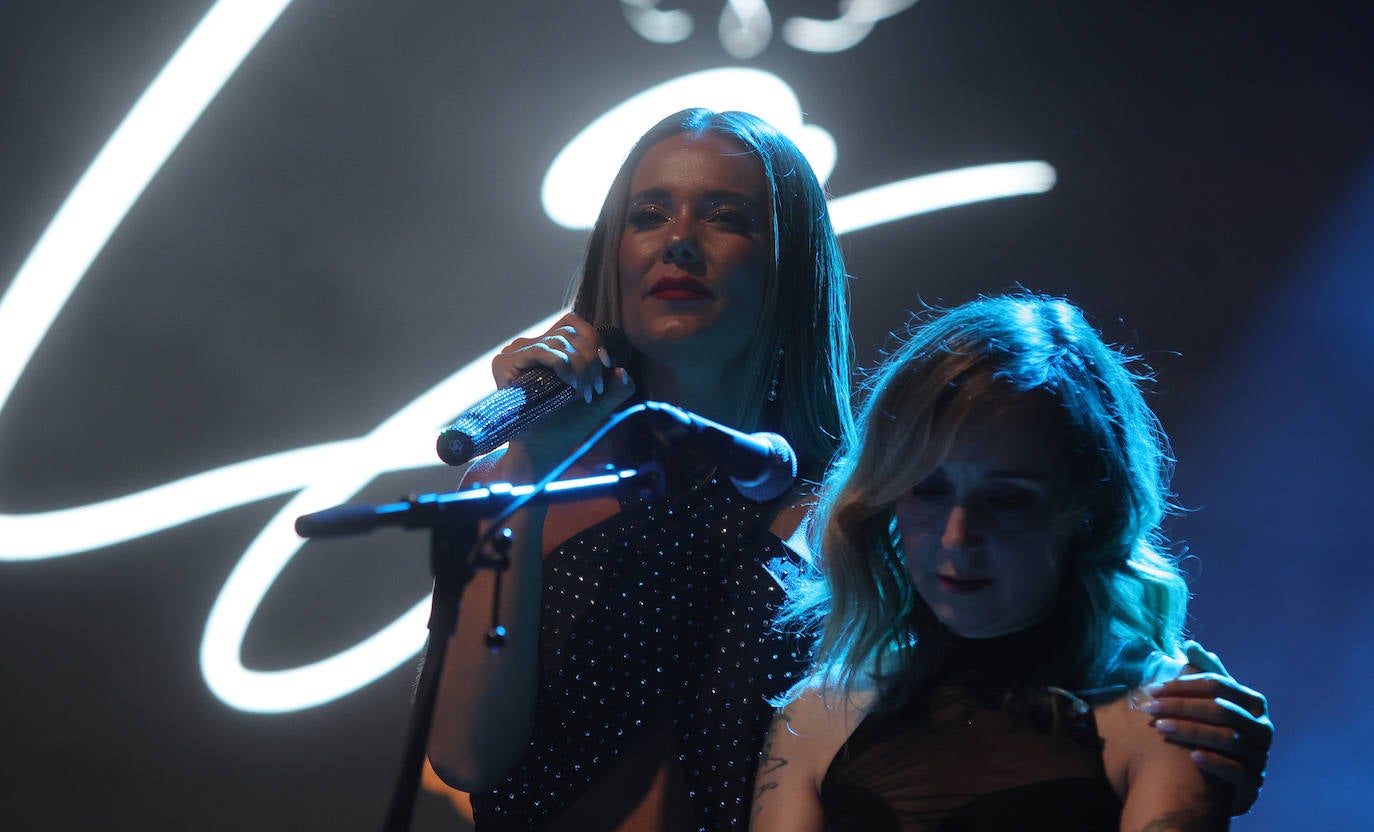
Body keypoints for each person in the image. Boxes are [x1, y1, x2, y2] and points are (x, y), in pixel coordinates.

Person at [425, 111, 1271, 830]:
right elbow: (465, 755)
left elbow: (1020, 679)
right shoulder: (518, 481)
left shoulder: (866, 506)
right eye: (650, 213)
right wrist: (533, 461)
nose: (678, 241)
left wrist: (1198, 716)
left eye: (724, 216)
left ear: (789, 262)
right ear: (612, 252)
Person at [749, 294, 1253, 831]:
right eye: (928, 489)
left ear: (1088, 507)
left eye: (1008, 500)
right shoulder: (816, 714)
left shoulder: (1165, 716)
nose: (957, 537)